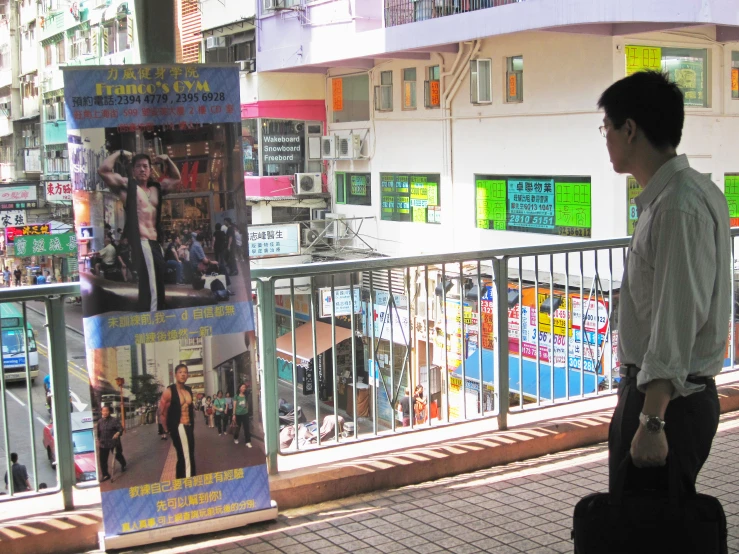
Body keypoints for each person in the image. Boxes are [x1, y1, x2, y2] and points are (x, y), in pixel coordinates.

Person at [598, 71, 730, 495]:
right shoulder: (677, 196)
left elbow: (676, 319)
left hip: (669, 404)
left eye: (608, 128)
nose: (606, 139)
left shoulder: (677, 207)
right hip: (661, 396)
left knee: (645, 531)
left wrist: (652, 421)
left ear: (630, 129)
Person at [98, 150, 181, 312]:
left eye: (145, 166)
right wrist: (119, 153)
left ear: (150, 170)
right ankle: (154, 318)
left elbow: (177, 178)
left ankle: (153, 313)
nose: (142, 170)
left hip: (155, 244)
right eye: (138, 167)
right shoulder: (127, 187)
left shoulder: (156, 189)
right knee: (152, 286)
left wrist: (167, 158)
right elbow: (103, 170)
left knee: (156, 282)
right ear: (133, 170)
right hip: (142, 242)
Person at [159, 364, 196, 478]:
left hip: (189, 426)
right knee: (186, 456)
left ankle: (180, 479)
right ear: (175, 375)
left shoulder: (188, 390)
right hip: (179, 426)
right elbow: (162, 412)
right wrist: (167, 429)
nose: (183, 374)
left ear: (187, 375)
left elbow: (190, 409)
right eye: (180, 372)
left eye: (185, 372)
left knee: (186, 454)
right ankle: (189, 482)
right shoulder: (169, 391)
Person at [97, 405, 126, 482]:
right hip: (103, 443)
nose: (105, 412)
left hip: (113, 442)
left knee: (118, 455)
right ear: (101, 412)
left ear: (109, 411)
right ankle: (105, 474)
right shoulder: (100, 422)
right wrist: (99, 440)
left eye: (106, 411)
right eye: (103, 411)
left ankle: (123, 464)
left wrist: (117, 433)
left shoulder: (114, 420)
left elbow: (120, 429)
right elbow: (98, 433)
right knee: (102, 460)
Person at [232, 383, 252, 447]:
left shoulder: (246, 395)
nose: (244, 388)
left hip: (245, 414)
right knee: (238, 427)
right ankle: (235, 438)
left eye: (245, 387)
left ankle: (248, 441)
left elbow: (247, 404)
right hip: (238, 414)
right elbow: (234, 406)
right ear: (239, 388)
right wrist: (234, 415)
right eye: (243, 387)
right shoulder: (236, 396)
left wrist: (247, 409)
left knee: (247, 428)